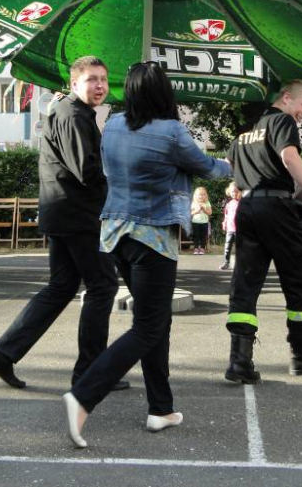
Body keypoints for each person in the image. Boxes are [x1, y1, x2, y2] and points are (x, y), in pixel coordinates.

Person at [62, 60, 231, 448]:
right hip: (152, 238)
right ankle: (83, 395)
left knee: (154, 322)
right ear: (163, 92)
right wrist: (235, 161)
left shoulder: (113, 125)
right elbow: (206, 167)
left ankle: (161, 408)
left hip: (115, 234)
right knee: (149, 326)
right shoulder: (171, 131)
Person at [0, 56, 125, 392]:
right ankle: (90, 372)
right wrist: (123, 182)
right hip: (80, 216)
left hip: (63, 212)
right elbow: (87, 170)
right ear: (75, 84)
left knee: (62, 287)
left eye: (103, 79)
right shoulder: (74, 114)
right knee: (103, 287)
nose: (100, 85)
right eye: (92, 79)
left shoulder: (68, 112)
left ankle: (3, 353)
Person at [224, 79, 302, 384]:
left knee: (245, 282)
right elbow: (289, 158)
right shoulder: (281, 121)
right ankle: (301, 353)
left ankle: (239, 362)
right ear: (287, 98)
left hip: (247, 210)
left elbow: (231, 165)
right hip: (275, 208)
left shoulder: (245, 131)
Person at [220, 182, 240, 270]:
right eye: (232, 192)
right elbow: (226, 215)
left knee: (240, 248)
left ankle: (240, 265)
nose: (234, 193)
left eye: (236, 191)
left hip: (240, 230)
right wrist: (224, 223)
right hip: (230, 229)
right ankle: (226, 262)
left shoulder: (243, 203)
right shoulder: (229, 204)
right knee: (227, 247)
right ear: (229, 192)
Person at [190, 186, 211, 254]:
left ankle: (202, 248)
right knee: (196, 235)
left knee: (203, 236)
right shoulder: (194, 203)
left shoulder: (207, 203)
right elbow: (191, 213)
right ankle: (196, 248)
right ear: (196, 196)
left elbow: (210, 212)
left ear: (205, 196)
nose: (201, 196)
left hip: (204, 222)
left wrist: (204, 209)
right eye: (199, 195)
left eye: (203, 195)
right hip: (195, 222)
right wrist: (197, 210)